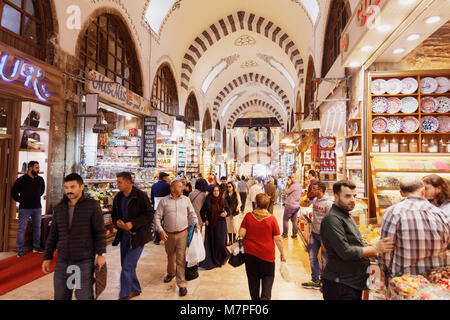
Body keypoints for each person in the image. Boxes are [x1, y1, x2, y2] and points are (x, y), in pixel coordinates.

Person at [320, 180, 394, 300]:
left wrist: (374, 253)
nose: (353, 200)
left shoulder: (346, 215)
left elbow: (356, 242)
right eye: (347, 196)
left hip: (351, 283)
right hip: (341, 285)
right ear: (336, 196)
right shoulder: (332, 219)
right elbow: (346, 252)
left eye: (354, 196)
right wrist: (374, 249)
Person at [42, 173, 106, 300]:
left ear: (81, 187)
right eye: (66, 187)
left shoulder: (92, 206)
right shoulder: (60, 208)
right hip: (63, 260)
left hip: (84, 260)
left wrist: (101, 254)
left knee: (83, 295)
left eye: (72, 187)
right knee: (61, 295)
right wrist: (47, 256)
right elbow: (53, 235)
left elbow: (99, 231)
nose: (69, 190)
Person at [378, 177, 450, 286]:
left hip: (406, 281)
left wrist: (384, 270)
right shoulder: (441, 214)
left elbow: (386, 248)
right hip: (435, 278)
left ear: (401, 193)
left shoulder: (393, 212)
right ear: (422, 191)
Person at [111, 172, 153, 300]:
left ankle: (124, 295)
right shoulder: (118, 197)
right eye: (117, 182)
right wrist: (117, 222)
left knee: (127, 266)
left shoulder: (140, 196)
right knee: (127, 265)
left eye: (120, 182)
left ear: (128, 182)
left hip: (137, 236)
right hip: (124, 236)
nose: (117, 184)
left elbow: (149, 215)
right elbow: (114, 214)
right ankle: (135, 289)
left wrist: (133, 223)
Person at [155, 180, 200, 297]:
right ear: (172, 189)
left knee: (181, 258)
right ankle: (171, 273)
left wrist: (195, 223)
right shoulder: (164, 201)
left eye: (182, 186)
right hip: (168, 235)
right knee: (170, 256)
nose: (183, 188)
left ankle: (182, 284)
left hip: (182, 234)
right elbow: (157, 217)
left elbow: (192, 213)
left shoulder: (186, 200)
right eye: (180, 187)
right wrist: (160, 230)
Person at [239, 193, 286, 300]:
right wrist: (282, 254)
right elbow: (278, 239)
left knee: (253, 280)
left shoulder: (248, 216)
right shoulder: (272, 219)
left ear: (256, 203)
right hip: (267, 256)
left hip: (250, 255)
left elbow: (241, 234)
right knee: (267, 280)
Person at [301, 182, 333, 289]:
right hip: (314, 234)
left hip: (324, 236)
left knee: (325, 260)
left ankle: (324, 282)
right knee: (312, 257)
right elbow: (314, 216)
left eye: (314, 189)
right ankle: (315, 280)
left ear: (320, 190)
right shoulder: (314, 200)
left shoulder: (328, 204)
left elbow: (330, 222)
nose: (312, 191)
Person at [11, 161, 45, 257]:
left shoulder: (40, 180)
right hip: (24, 209)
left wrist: (35, 197)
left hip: (37, 208)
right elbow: (13, 194)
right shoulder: (21, 180)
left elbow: (41, 191)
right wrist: (22, 200)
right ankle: (20, 251)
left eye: (38, 167)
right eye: (36, 168)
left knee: (37, 228)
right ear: (30, 168)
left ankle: (36, 247)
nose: (38, 169)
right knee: (22, 229)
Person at [199, 185, 230, 270]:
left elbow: (228, 211)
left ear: (220, 192)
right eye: (214, 191)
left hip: (221, 225)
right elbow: (202, 211)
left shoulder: (223, 201)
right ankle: (212, 261)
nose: (216, 192)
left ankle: (223, 256)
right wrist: (205, 220)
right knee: (211, 243)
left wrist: (226, 213)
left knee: (220, 243)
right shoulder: (208, 201)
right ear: (212, 192)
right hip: (211, 225)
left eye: (217, 191)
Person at [150, 172, 171, 245]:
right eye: (167, 177)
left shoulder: (154, 185)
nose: (168, 178)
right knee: (167, 223)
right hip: (166, 206)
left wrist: (154, 204)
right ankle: (166, 238)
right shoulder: (168, 185)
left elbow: (152, 197)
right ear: (164, 177)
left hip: (156, 207)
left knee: (157, 223)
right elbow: (170, 196)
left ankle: (157, 239)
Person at [281, 174, 302, 239]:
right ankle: (294, 235)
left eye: (292, 177)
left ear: (295, 178)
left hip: (290, 205)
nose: (291, 179)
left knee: (285, 220)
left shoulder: (294, 186)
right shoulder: (299, 185)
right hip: (296, 205)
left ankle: (285, 235)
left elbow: (285, 192)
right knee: (294, 220)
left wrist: (287, 184)